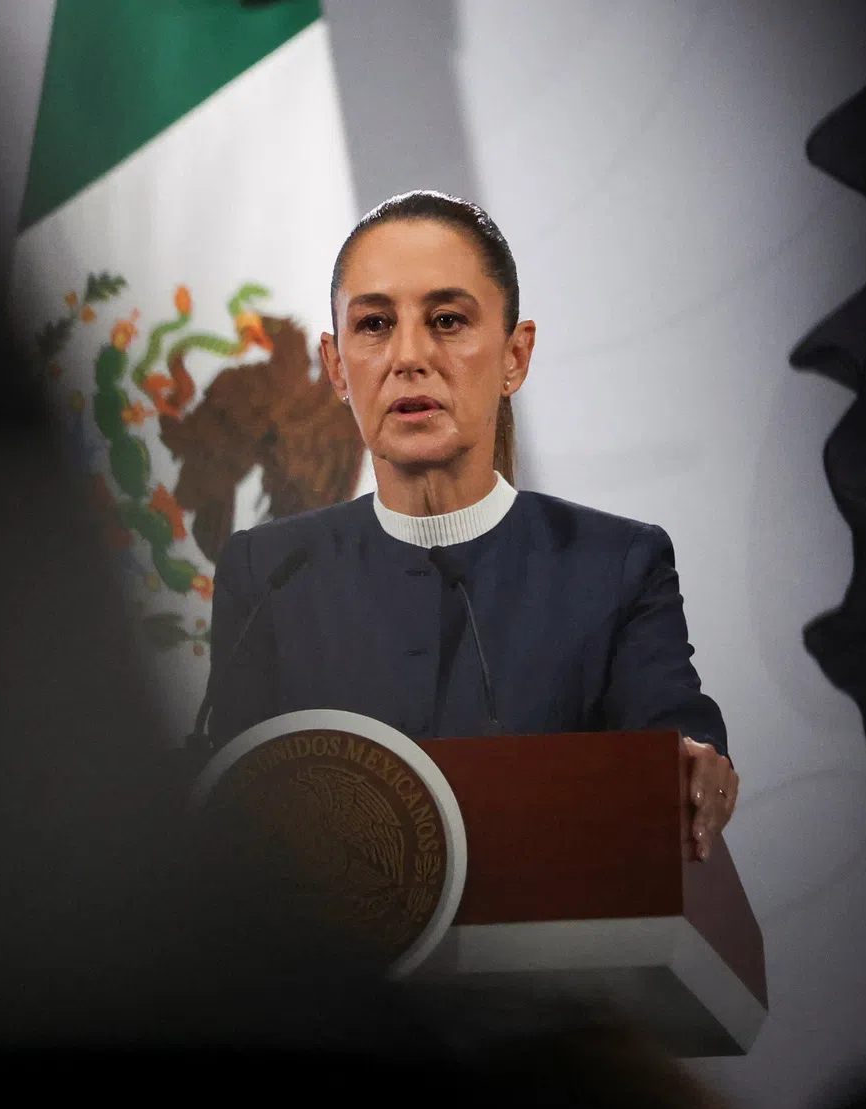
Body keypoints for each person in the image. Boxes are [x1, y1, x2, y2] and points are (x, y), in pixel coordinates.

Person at [210, 191, 737, 861]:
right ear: (336, 366)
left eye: (448, 319)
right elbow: (228, 810)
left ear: (516, 355)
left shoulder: (616, 566)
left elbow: (673, 735)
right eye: (373, 324)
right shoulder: (269, 576)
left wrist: (694, 763)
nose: (408, 355)